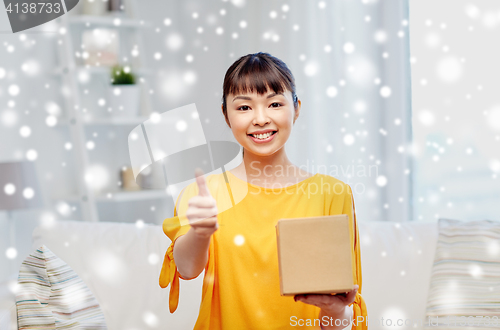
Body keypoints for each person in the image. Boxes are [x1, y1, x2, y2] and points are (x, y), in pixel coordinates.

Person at [159, 52, 367, 330]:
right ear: (226, 115)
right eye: (244, 108)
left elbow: (339, 315)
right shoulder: (203, 194)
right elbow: (187, 269)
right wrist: (200, 231)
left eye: (274, 104)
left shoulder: (331, 193)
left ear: (296, 108)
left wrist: (337, 312)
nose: (260, 119)